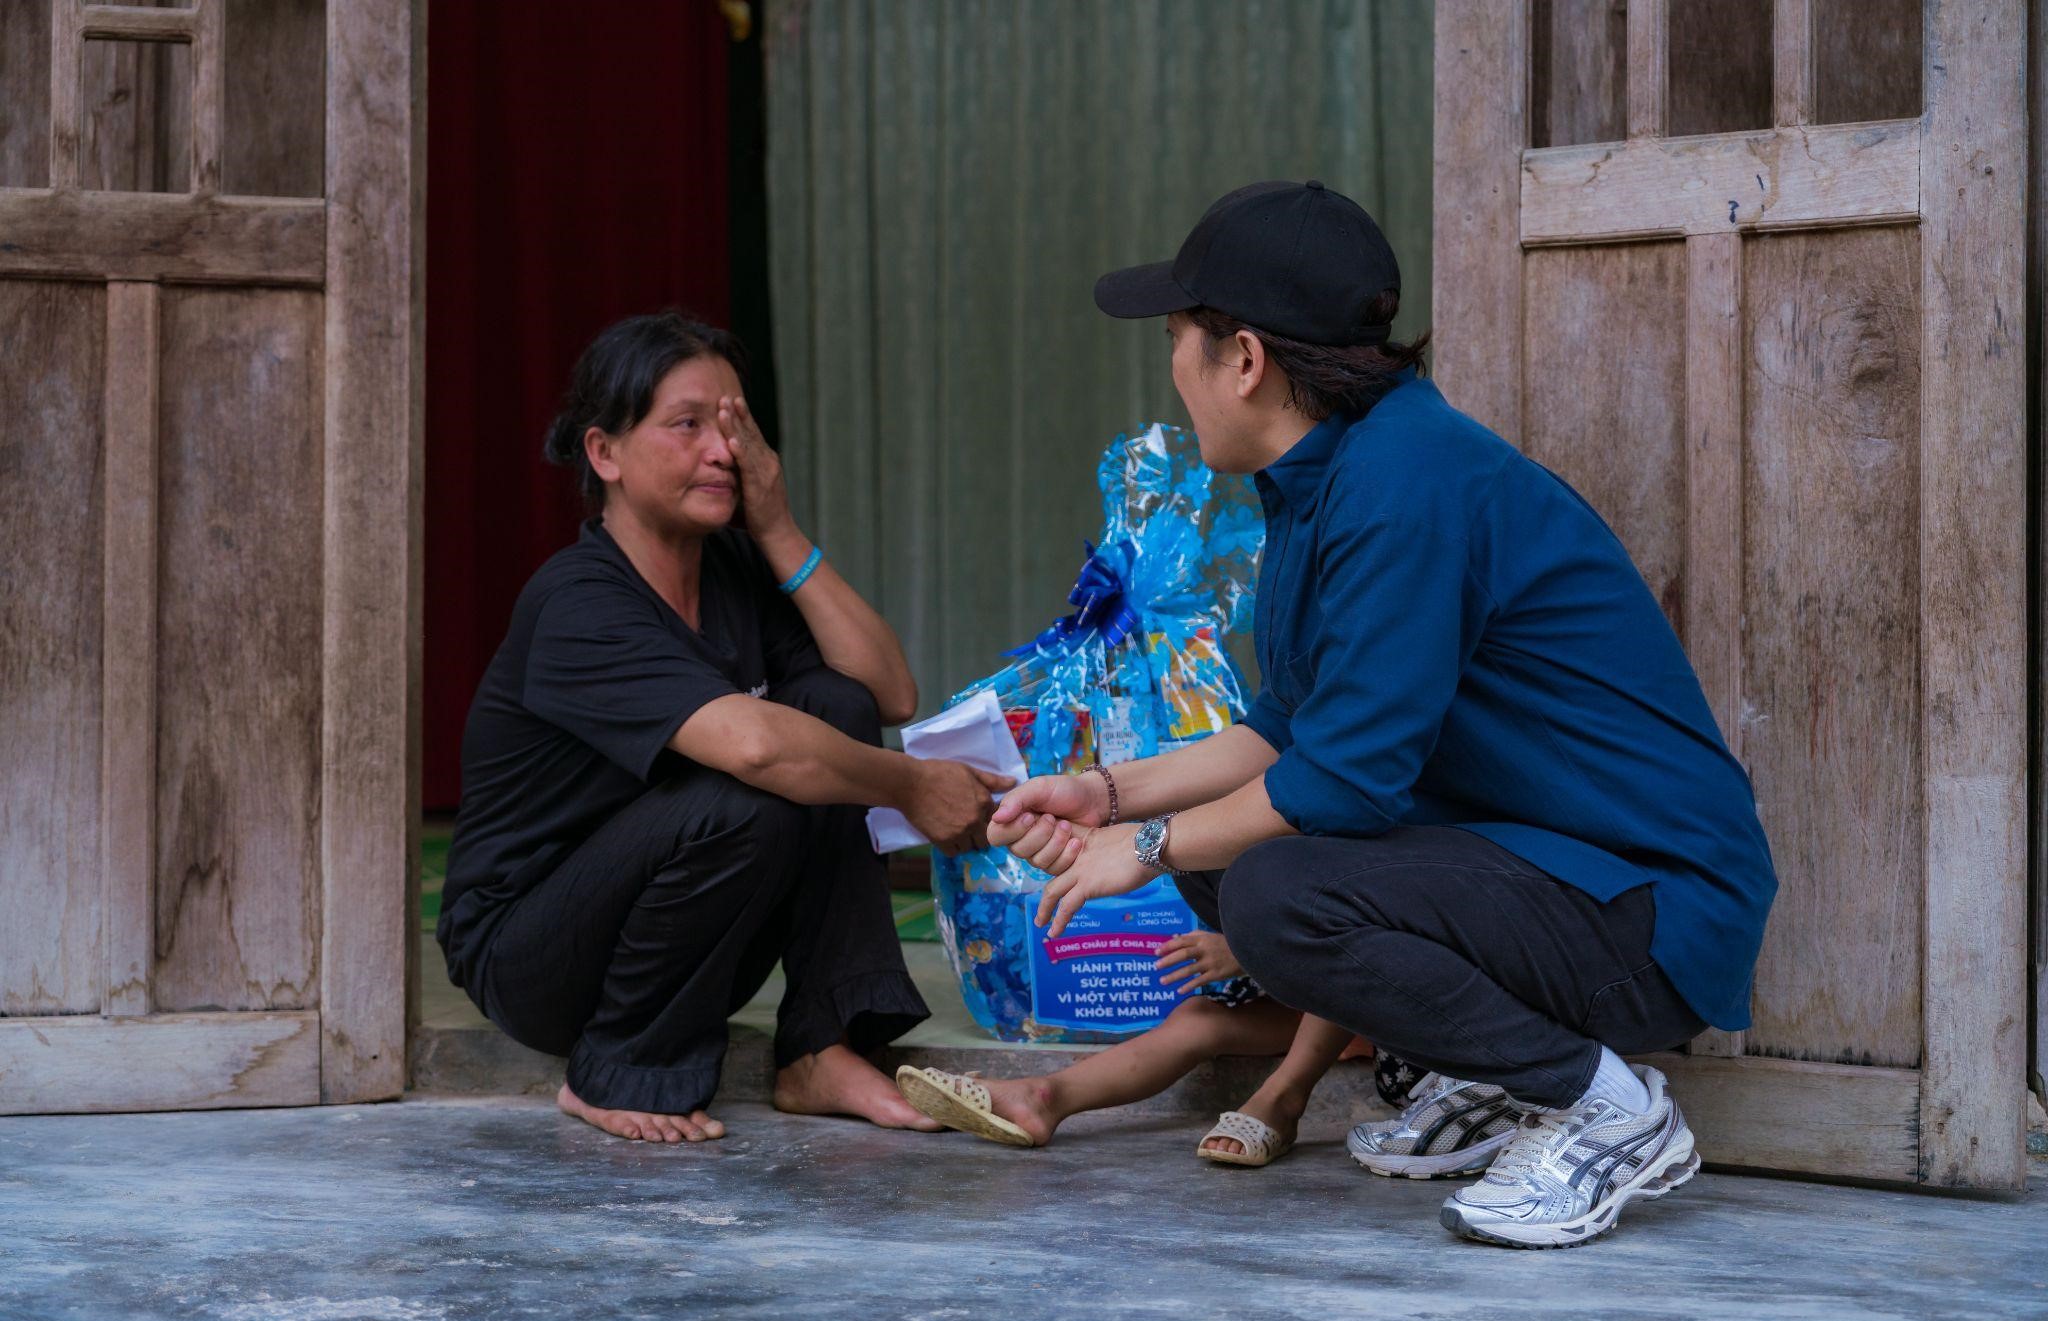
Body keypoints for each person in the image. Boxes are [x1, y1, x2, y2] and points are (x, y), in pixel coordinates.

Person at [987, 181, 1777, 1249]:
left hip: (1647, 910)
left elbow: (1345, 781)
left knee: (1269, 889)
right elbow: (1286, 728)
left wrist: (1148, 844)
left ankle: (1602, 1107)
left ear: (1244, 359)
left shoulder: (1402, 482)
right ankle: (1500, 1081)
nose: (1172, 368)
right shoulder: (1326, 476)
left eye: (1176, 340)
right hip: (1546, 874)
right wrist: (1106, 796)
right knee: (1227, 857)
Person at [437, 311, 1011, 1144]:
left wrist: (776, 528)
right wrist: (913, 785)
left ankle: (822, 1045)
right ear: (605, 453)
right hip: (535, 954)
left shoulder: (735, 569)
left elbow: (886, 692)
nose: (722, 451)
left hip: (687, 936)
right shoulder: (577, 601)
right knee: (755, 792)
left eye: (735, 426)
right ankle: (617, 1069)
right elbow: (755, 748)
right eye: (688, 425)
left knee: (835, 709)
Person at [898, 924, 1357, 1165]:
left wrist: (1248, 949)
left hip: (1368, 980)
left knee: (1343, 965)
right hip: (1299, 978)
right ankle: (1044, 1097)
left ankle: (1283, 1097)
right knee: (1198, 1019)